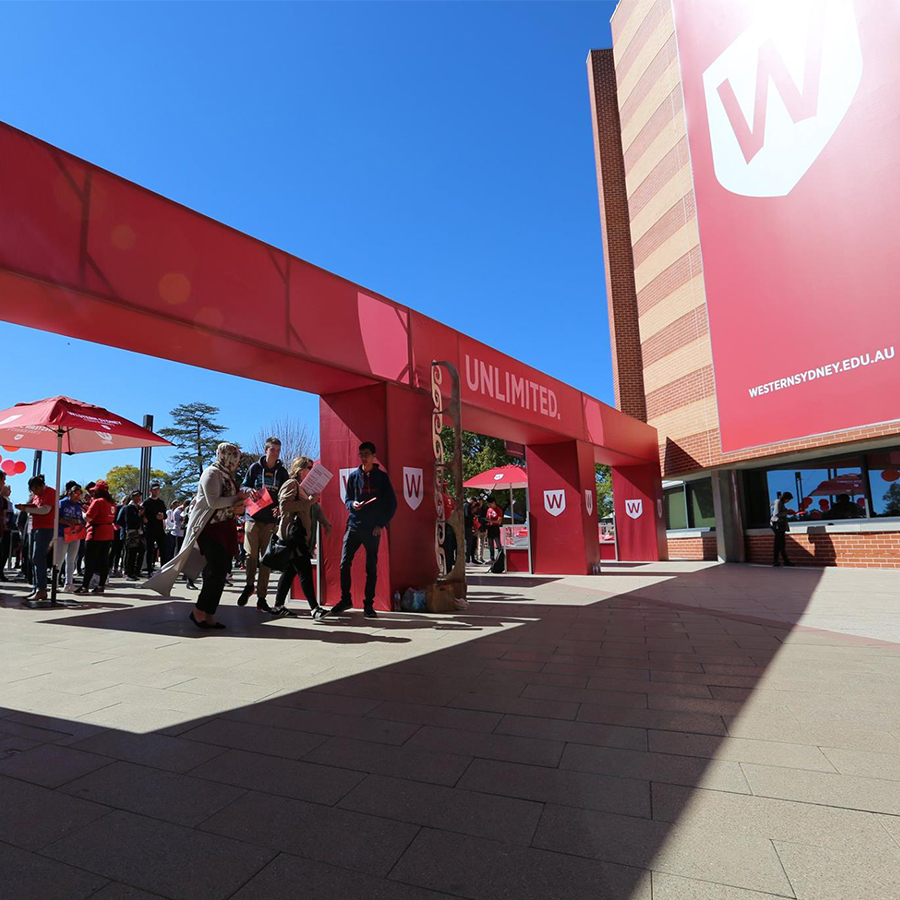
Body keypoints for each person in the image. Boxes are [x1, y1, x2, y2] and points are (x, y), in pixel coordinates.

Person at [145, 442, 251, 629]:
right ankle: (200, 611)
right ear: (225, 456)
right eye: (234, 456)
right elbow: (213, 502)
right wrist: (237, 499)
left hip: (225, 527)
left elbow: (230, 504)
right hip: (209, 528)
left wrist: (241, 505)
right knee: (217, 569)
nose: (236, 461)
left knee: (222, 570)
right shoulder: (211, 473)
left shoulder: (227, 475)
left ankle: (209, 613)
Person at [330, 441, 397, 619]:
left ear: (374, 456)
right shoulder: (353, 477)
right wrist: (353, 504)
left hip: (372, 530)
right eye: (361, 454)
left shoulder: (382, 478)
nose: (363, 457)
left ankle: (369, 605)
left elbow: (392, 504)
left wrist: (380, 524)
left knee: (371, 568)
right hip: (353, 526)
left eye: (367, 454)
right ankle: (346, 599)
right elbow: (347, 500)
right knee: (344, 564)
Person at [272, 456, 332, 618]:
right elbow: (284, 506)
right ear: (300, 470)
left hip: (300, 536)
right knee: (304, 570)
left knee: (290, 571)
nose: (312, 471)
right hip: (293, 536)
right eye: (309, 467)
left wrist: (325, 523)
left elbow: (315, 509)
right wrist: (309, 502)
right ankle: (315, 609)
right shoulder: (291, 484)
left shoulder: (306, 488)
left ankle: (278, 606)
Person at [239, 437, 288, 610]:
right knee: (250, 555)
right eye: (272, 449)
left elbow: (285, 494)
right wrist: (248, 490)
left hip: (270, 521)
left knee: (266, 560)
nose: (275, 453)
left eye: (278, 450)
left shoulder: (282, 472)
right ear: (265, 450)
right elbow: (243, 487)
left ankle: (262, 597)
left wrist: (281, 508)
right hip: (252, 516)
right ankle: (249, 585)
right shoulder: (255, 468)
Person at [16, 475, 57, 604]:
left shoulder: (51, 492)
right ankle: (37, 588)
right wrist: (27, 506)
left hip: (46, 528)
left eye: (35, 489)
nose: (34, 492)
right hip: (35, 528)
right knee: (34, 558)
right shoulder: (37, 496)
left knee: (38, 557)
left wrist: (26, 509)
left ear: (40, 486)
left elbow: (45, 510)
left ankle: (42, 588)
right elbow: (37, 506)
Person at [76, 480, 116, 595]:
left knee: (90, 561)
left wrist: (83, 512)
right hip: (108, 533)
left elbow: (88, 518)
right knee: (104, 561)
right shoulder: (112, 503)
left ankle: (85, 586)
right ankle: (101, 585)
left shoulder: (98, 502)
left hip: (95, 533)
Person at [58, 482, 86, 591]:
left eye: (80, 494)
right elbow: (57, 518)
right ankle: (55, 582)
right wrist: (69, 522)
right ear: (70, 493)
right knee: (59, 559)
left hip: (75, 535)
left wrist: (78, 522)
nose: (77, 496)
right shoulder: (62, 503)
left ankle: (69, 583)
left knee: (71, 559)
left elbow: (82, 520)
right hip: (62, 534)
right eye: (76, 494)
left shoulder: (78, 506)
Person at [142, 482, 168, 575]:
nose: (156, 491)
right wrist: (154, 517)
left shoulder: (161, 502)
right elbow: (144, 516)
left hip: (159, 529)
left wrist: (163, 516)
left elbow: (165, 515)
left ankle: (163, 569)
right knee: (150, 549)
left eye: (157, 489)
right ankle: (149, 569)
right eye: (154, 489)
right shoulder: (146, 502)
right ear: (150, 490)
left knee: (163, 549)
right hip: (150, 529)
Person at [121, 491, 146, 580]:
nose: (138, 498)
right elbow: (127, 521)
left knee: (139, 551)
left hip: (139, 532)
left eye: (139, 496)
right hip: (132, 532)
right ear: (132, 497)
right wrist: (138, 515)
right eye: (136, 496)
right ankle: (128, 573)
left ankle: (135, 571)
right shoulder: (129, 508)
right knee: (131, 553)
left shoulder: (138, 507)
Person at [770, 491, 796, 567]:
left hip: (779, 525)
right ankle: (783, 561)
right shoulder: (778, 502)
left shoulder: (779, 502)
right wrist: (787, 512)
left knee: (779, 543)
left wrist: (788, 512)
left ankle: (777, 561)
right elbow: (777, 514)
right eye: (788, 500)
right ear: (785, 498)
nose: (788, 501)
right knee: (780, 543)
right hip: (778, 525)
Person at [0, 471, 11, 581]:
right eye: (3, 480)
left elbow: (3, 516)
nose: (4, 482)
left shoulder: (3, 500)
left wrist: (4, 526)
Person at [485, 498, 503, 563]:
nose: (488, 505)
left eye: (489, 504)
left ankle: (500, 557)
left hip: (495, 527)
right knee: (490, 543)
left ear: (493, 502)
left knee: (498, 543)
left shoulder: (498, 510)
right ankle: (491, 557)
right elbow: (487, 518)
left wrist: (491, 521)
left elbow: (499, 521)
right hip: (490, 527)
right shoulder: (489, 510)